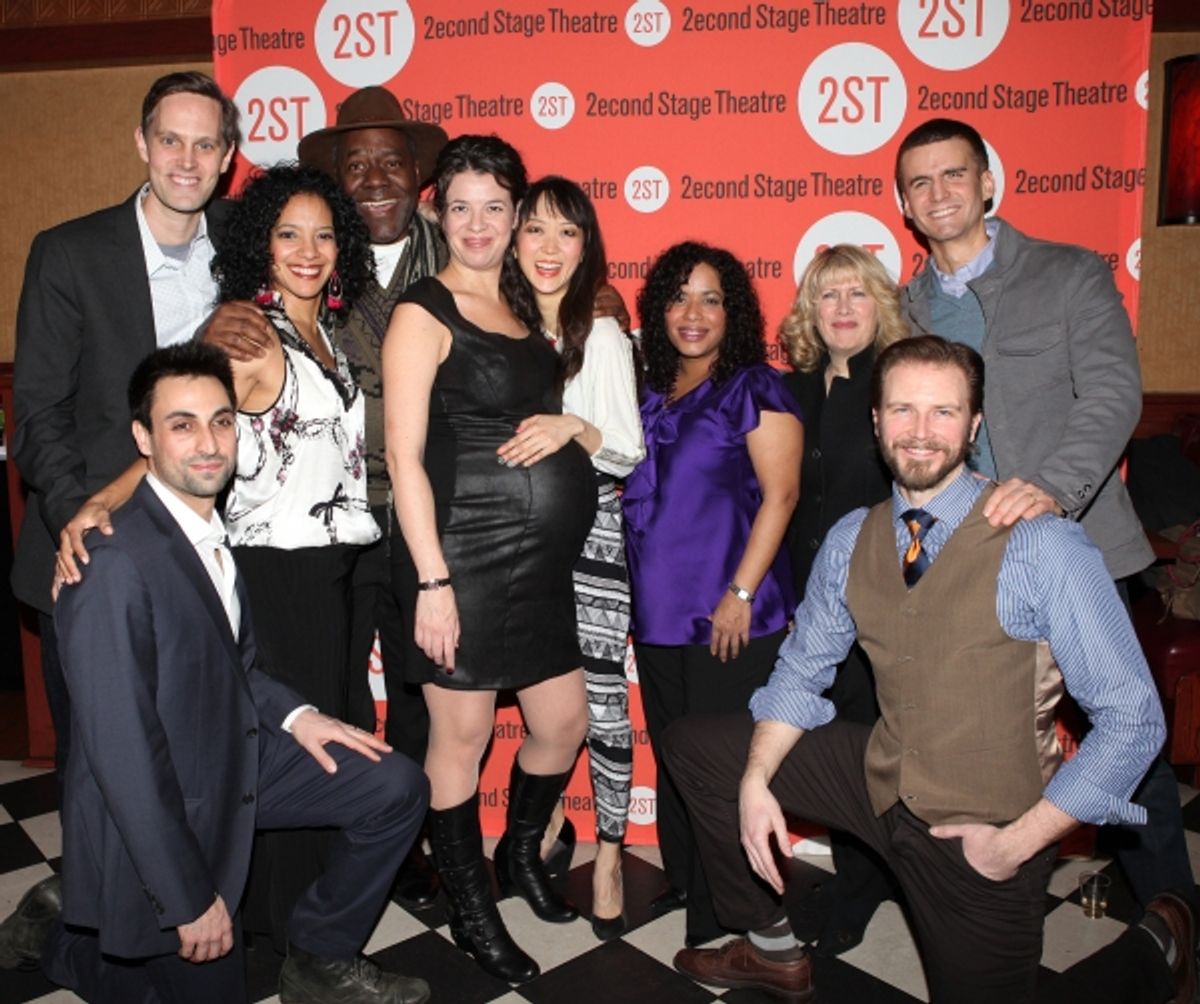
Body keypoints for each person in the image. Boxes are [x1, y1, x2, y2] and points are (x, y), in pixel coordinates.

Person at [664, 336, 1189, 1004]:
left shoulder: (1040, 543)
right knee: (700, 749)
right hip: (884, 776)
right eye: (903, 410)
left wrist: (1017, 844)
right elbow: (800, 673)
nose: (920, 432)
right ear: (876, 420)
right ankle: (771, 950)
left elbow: (1134, 721)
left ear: (974, 425)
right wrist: (757, 779)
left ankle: (1156, 948)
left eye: (943, 412)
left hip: (984, 828)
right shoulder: (854, 537)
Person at [10, 343, 430, 1004]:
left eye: (223, 420)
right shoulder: (112, 565)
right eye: (182, 424)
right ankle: (60, 940)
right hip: (161, 804)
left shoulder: (206, 527)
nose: (208, 442)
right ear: (142, 437)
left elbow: (232, 666)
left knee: (395, 786)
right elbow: (124, 756)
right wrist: (187, 899)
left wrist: (299, 716)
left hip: (233, 755)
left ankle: (318, 956)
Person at [895, 117, 1194, 918]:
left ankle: (1173, 919)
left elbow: (1112, 395)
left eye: (953, 175)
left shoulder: (1067, 275)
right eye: (920, 183)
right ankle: (987, 906)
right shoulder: (907, 306)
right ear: (906, 207)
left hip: (1078, 550)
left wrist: (1052, 488)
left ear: (988, 183)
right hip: (965, 565)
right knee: (979, 740)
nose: (938, 193)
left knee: (1128, 742)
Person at [383, 135, 595, 984]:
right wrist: (432, 582)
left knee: (562, 724)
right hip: (456, 558)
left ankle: (521, 855)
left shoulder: (524, 304)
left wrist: (578, 429)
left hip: (534, 573)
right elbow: (402, 457)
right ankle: (474, 914)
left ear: (516, 216)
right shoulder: (421, 313)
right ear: (438, 210)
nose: (478, 224)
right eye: (460, 206)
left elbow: (560, 412)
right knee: (461, 738)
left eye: (495, 208)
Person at [11, 70, 238, 787]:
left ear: (228, 156)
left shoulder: (247, 246)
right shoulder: (69, 253)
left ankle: (197, 895)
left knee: (204, 745)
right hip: (99, 544)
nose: (186, 160)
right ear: (141, 141)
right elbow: (39, 411)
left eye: (205, 145)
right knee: (99, 757)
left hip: (218, 540)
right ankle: (93, 896)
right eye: (171, 139)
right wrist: (82, 515)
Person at [207, 162, 382, 952]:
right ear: (260, 245)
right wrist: (106, 504)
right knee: (298, 751)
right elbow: (183, 440)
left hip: (334, 573)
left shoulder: (329, 336)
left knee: (336, 748)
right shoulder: (248, 337)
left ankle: (311, 918)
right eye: (288, 234)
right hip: (276, 573)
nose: (308, 250)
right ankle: (283, 929)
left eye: (323, 233)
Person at [622, 241, 803, 947]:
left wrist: (739, 592)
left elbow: (781, 496)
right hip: (657, 614)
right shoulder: (646, 394)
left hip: (730, 614)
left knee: (723, 767)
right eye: (678, 297)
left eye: (711, 298)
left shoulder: (755, 387)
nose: (692, 314)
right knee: (675, 759)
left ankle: (741, 921)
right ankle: (691, 881)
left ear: (735, 312)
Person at [504, 175, 645, 939]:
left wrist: (572, 430)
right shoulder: (496, 324)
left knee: (601, 703)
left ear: (586, 245)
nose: (550, 248)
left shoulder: (603, 333)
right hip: (515, 547)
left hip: (589, 541)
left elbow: (626, 452)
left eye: (568, 232)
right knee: (543, 702)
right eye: (535, 230)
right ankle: (545, 819)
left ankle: (613, 850)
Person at [778, 243, 907, 953]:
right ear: (810, 311)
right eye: (829, 295)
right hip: (804, 597)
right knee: (827, 745)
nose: (844, 309)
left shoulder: (898, 380)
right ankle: (863, 869)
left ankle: (868, 885)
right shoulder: (792, 389)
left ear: (879, 302)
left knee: (873, 746)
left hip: (883, 597)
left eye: (858, 293)